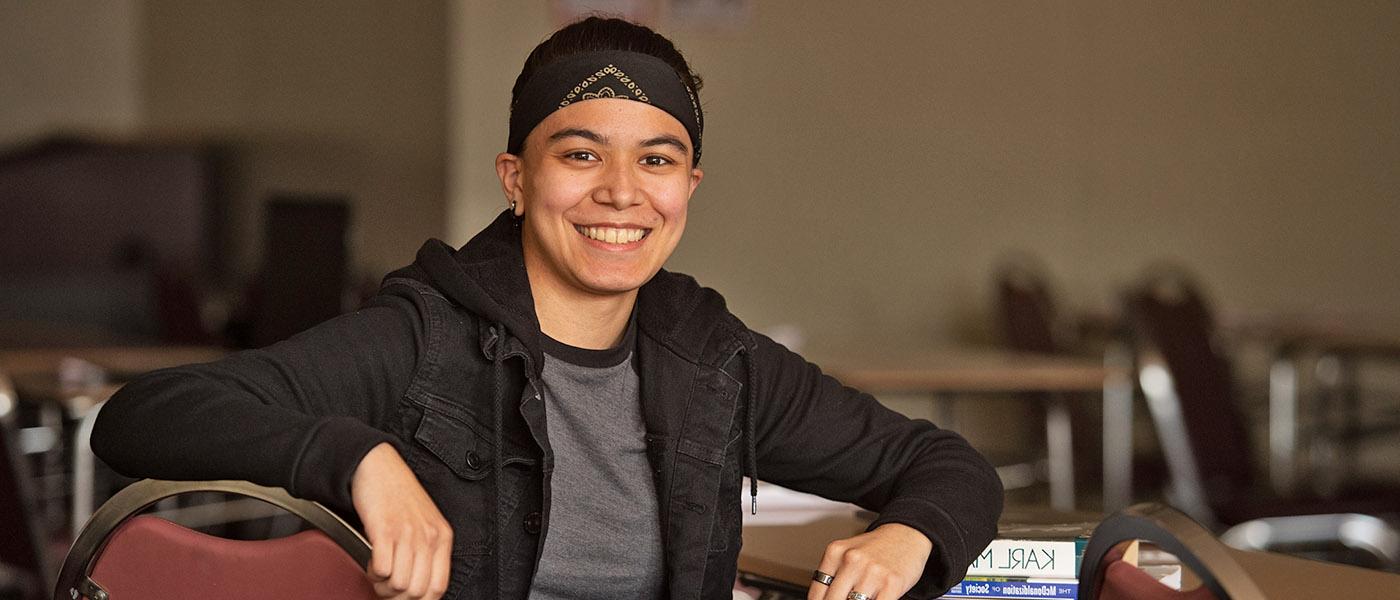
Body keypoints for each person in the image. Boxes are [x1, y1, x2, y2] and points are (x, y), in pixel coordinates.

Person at [93, 16, 1002, 600]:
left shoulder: (714, 359)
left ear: (689, 184)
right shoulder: (424, 337)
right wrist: (358, 455)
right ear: (516, 180)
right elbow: (144, 415)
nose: (621, 192)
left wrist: (909, 535)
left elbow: (946, 464)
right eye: (579, 155)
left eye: (655, 160)